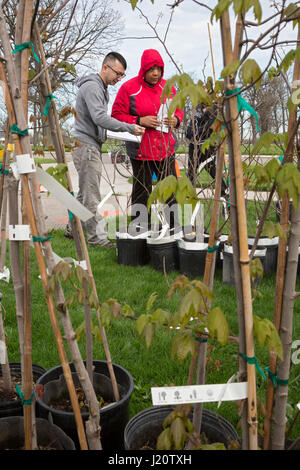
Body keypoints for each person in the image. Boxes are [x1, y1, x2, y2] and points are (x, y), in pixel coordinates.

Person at [65, 51, 145, 247]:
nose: (119, 78)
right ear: (105, 67)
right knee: (91, 194)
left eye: (122, 75)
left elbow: (99, 121)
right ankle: (96, 239)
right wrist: (128, 127)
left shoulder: (100, 87)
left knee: (85, 193)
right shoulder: (93, 86)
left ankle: (71, 229)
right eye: (118, 73)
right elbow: (99, 117)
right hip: (86, 146)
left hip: (88, 144)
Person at [111, 49, 183, 233]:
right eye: (152, 69)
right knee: (142, 192)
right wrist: (139, 121)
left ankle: (174, 230)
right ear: (144, 69)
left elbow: (179, 109)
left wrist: (176, 120)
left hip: (165, 149)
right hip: (140, 150)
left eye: (159, 69)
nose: (156, 73)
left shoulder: (169, 87)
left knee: (170, 192)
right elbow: (116, 115)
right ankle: (140, 231)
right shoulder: (129, 88)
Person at [186, 103, 227, 197]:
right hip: (194, 147)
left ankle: (225, 196)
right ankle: (190, 198)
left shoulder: (215, 108)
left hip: (208, 147)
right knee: (191, 174)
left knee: (213, 171)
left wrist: (199, 131)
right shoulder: (198, 107)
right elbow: (189, 133)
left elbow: (211, 128)